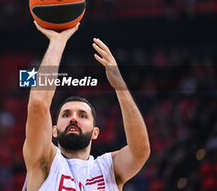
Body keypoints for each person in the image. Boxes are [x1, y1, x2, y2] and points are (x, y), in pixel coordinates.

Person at [22, 22, 150, 191]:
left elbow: (140, 151)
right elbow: (38, 104)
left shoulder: (107, 169)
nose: (73, 118)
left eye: (82, 115)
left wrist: (120, 85)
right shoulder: (45, 163)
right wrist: (57, 41)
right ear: (54, 130)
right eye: (66, 115)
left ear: (95, 132)